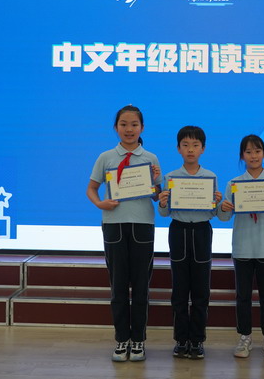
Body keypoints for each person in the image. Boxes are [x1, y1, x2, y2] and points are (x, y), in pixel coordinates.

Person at [86, 105, 162, 362]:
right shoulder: (106, 157)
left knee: (141, 286)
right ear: (116, 127)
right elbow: (91, 188)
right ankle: (121, 339)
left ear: (142, 128)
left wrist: (156, 181)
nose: (129, 129)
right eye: (124, 124)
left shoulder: (150, 158)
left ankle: (138, 339)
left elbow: (156, 196)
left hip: (142, 225)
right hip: (114, 225)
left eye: (134, 124)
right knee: (118, 286)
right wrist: (101, 203)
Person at [217, 134, 264, 360]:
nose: (253, 156)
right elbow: (223, 217)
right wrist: (223, 207)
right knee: (243, 297)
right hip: (242, 248)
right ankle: (245, 337)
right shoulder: (234, 184)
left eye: (257, 151)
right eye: (248, 152)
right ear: (242, 156)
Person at [158, 125, 222, 360]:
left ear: (203, 149)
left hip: (202, 231)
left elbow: (214, 213)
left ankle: (197, 340)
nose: (190, 149)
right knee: (180, 289)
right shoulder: (171, 178)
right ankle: (181, 339)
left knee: (201, 290)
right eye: (185, 145)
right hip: (178, 231)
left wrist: (217, 202)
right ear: (178, 149)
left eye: (195, 145)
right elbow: (164, 214)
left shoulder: (210, 177)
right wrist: (162, 202)